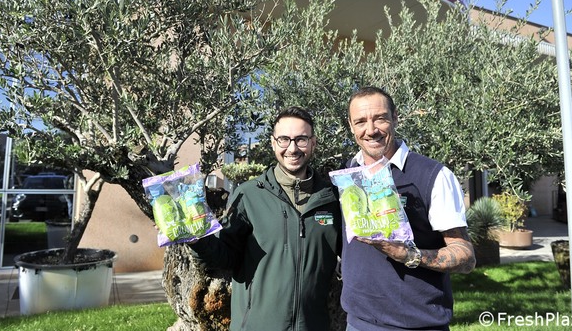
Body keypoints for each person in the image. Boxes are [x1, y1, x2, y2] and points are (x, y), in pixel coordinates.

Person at [189, 106, 342, 331]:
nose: (292, 148)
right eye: (284, 139)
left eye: (301, 139)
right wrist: (197, 240)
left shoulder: (332, 199)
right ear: (273, 143)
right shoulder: (249, 195)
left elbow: (353, 256)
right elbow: (224, 257)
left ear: (313, 143)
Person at [341, 86, 476, 331]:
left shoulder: (434, 176)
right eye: (360, 121)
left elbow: (465, 257)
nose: (371, 130)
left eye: (380, 118)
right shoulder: (347, 176)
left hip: (417, 325)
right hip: (358, 323)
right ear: (351, 126)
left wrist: (409, 255)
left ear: (395, 118)